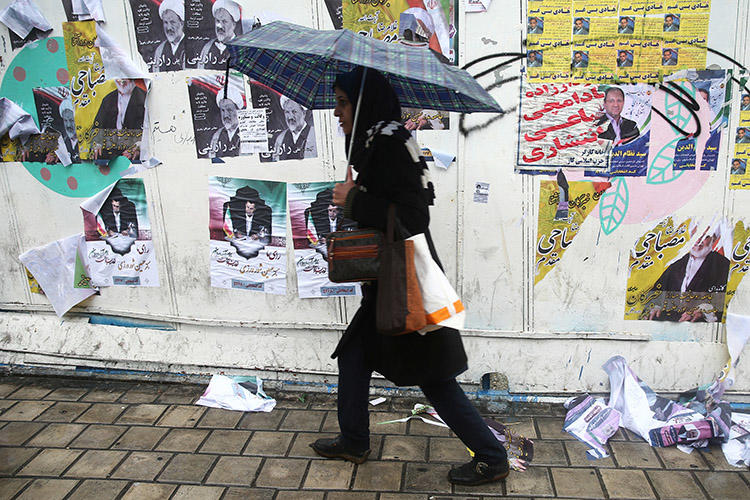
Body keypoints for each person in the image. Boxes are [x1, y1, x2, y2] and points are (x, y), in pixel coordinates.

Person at [309, 67, 510, 486]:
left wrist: (356, 199)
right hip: (387, 282)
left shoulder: (389, 145)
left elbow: (414, 216)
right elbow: (389, 204)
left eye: (343, 102)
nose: (336, 112)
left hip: (405, 283)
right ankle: (353, 439)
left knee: (434, 377)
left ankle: (491, 457)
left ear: (365, 103)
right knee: (353, 355)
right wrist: (355, 197)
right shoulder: (376, 142)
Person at [647, 227, 730, 322]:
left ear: (714, 239)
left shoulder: (723, 265)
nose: (698, 240)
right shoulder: (677, 261)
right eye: (696, 235)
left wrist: (704, 311)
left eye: (705, 237)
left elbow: (725, 302)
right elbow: (657, 291)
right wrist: (656, 306)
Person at [197, 0, 242, 70]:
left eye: (224, 21)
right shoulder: (207, 48)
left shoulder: (241, 49)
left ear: (233, 25)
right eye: (217, 21)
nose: (219, 26)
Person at [273, 96, 317, 161]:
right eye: (287, 112)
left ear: (304, 113)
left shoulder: (315, 135)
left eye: (294, 111)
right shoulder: (280, 138)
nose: (290, 117)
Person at [209, 87, 243, 158]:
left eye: (229, 110)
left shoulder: (247, 133)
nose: (226, 115)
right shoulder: (217, 135)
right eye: (223, 110)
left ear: (238, 111)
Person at [152, 0, 185, 72]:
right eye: (166, 22)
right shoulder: (159, 50)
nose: (169, 28)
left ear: (181, 23)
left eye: (172, 22)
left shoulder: (191, 46)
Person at [46, 98, 79, 164]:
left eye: (72, 120)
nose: (68, 125)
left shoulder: (88, 141)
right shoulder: (61, 143)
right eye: (65, 121)